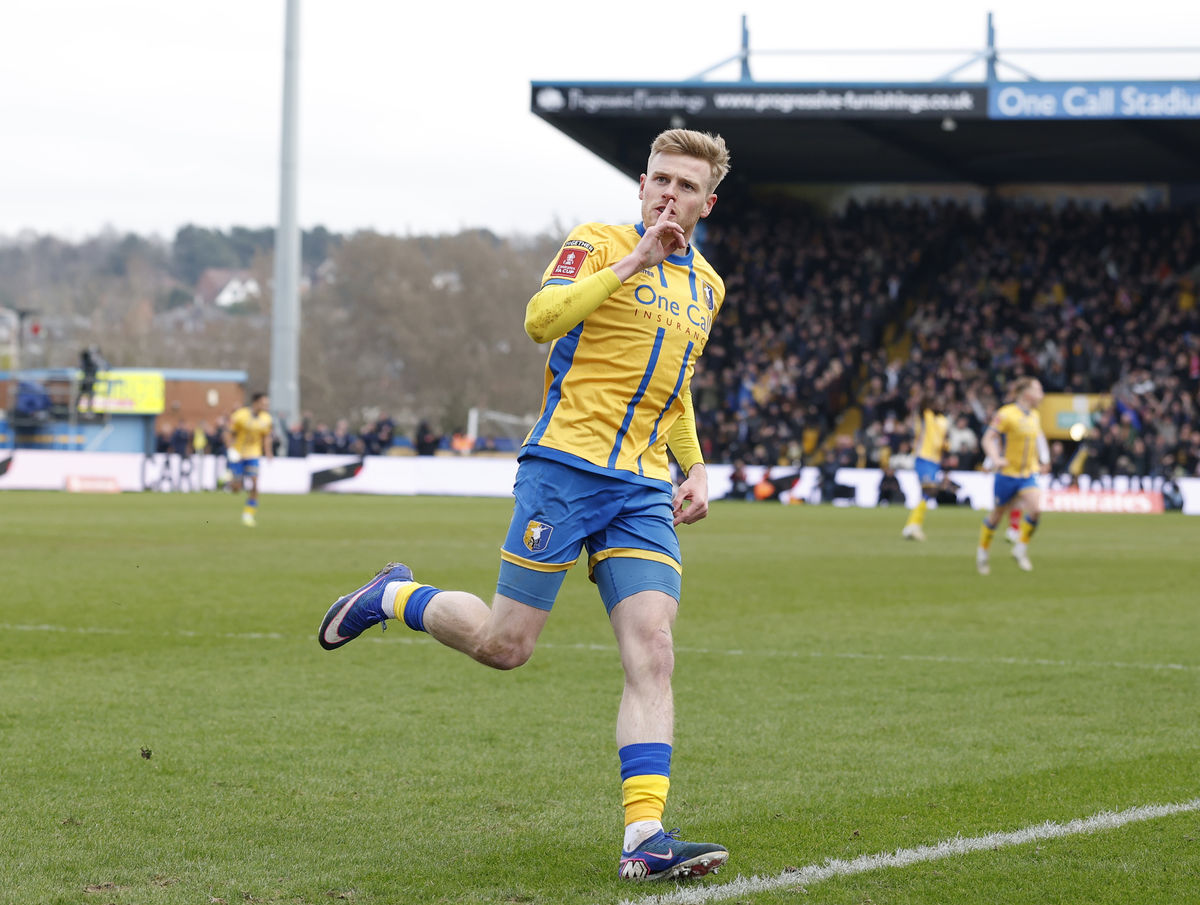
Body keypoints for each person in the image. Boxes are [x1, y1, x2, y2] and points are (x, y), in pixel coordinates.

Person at [318, 129, 732, 882]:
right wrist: (634, 261)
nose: (670, 194)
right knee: (507, 646)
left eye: (686, 186)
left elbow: (676, 387)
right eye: (660, 180)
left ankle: (645, 836)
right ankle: (395, 594)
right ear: (641, 185)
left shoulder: (708, 286)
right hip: (564, 469)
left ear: (709, 201)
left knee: (654, 648)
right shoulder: (599, 242)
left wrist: (695, 464)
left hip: (640, 487)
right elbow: (541, 320)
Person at [977, 377, 1045, 574]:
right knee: (996, 517)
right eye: (1038, 390)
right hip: (1007, 474)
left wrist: (1041, 462)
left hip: (1027, 474)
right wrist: (995, 459)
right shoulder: (1006, 414)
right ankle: (982, 553)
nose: (1042, 394)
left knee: (1036, 509)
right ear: (1027, 393)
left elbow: (1036, 442)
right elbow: (988, 438)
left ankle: (1020, 549)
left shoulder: (1035, 416)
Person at [901, 395, 949, 541]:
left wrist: (946, 446)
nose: (938, 405)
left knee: (927, 494)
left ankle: (914, 525)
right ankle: (912, 526)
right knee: (930, 489)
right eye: (935, 402)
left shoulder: (943, 421)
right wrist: (927, 395)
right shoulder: (925, 415)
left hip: (935, 460)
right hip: (923, 457)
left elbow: (943, 440)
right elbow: (922, 406)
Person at [224, 392, 273, 526]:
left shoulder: (267, 419)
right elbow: (227, 433)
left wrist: (268, 452)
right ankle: (227, 479)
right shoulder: (240, 415)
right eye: (264, 403)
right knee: (236, 488)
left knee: (255, 484)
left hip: (254, 454)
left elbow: (266, 436)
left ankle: (248, 514)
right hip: (238, 454)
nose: (266, 406)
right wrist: (230, 449)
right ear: (256, 403)